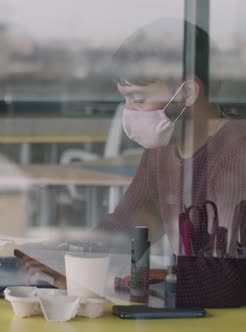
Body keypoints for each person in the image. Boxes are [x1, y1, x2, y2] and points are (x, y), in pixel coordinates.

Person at [96, 18, 246, 307]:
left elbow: (228, 278)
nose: (129, 113)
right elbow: (125, 226)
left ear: (189, 92)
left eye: (138, 99)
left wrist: (123, 280)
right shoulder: (161, 153)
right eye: (125, 100)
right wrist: (56, 258)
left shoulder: (238, 153)